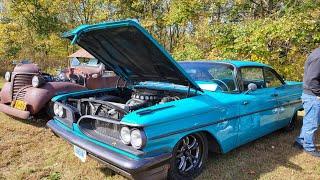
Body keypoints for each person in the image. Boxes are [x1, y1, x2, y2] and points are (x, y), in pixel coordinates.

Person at [294, 47, 320, 157]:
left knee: (309, 120)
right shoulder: (319, 56)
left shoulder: (316, 52)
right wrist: (318, 94)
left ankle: (300, 141)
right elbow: (312, 79)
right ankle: (309, 147)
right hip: (313, 95)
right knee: (312, 123)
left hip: (311, 94)